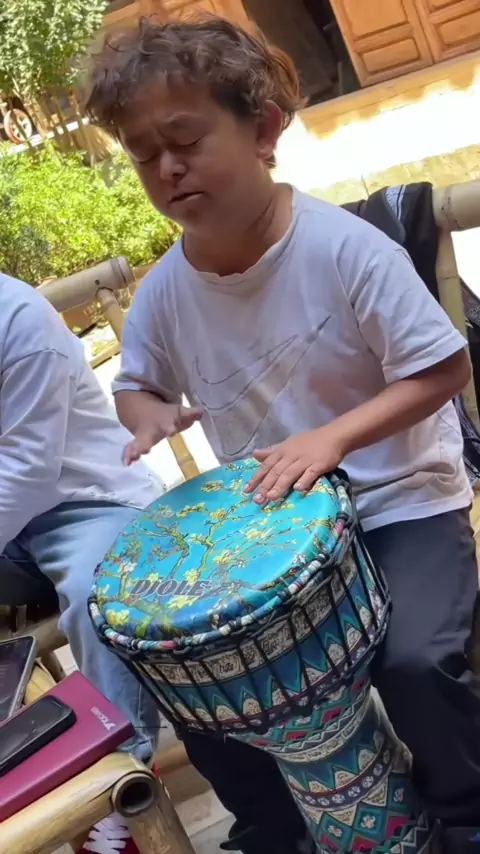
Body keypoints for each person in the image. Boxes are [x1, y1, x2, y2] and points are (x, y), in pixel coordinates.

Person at [86, 15, 480, 854]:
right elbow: (135, 384)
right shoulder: (165, 292)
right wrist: (145, 411)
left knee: (413, 660)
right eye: (145, 155)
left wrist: (333, 438)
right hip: (274, 532)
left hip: (400, 502)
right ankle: (271, 830)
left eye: (185, 140)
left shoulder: (344, 249)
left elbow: (444, 367)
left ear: (263, 128)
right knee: (203, 691)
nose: (168, 167)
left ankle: (465, 811)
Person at [0, 272, 165, 854]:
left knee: (99, 599)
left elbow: (26, 471)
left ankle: (120, 781)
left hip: (85, 504)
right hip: (10, 539)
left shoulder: (17, 320)